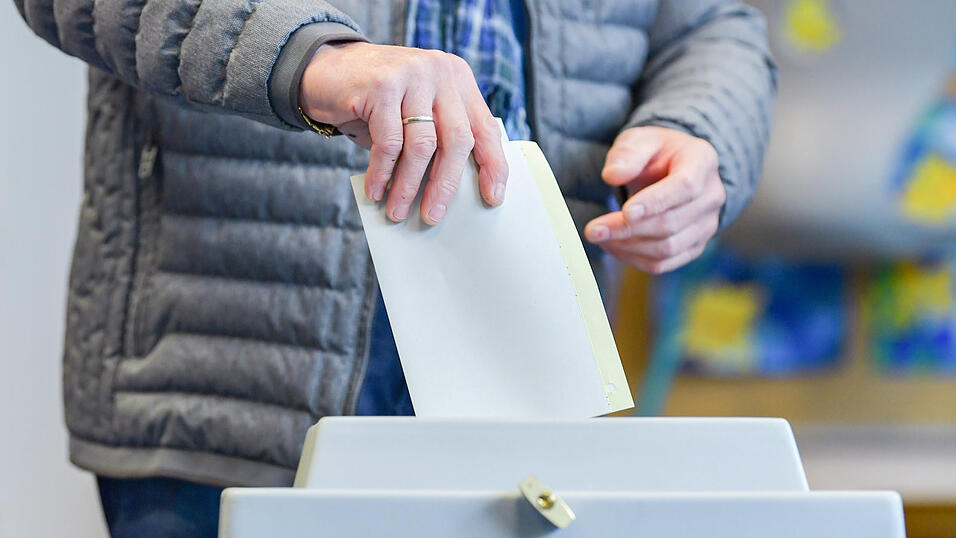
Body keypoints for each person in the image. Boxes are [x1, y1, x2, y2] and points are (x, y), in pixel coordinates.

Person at [15, 0, 776, 535]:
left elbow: (708, 26)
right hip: (228, 383)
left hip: (528, 387)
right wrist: (308, 55)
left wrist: (700, 132)